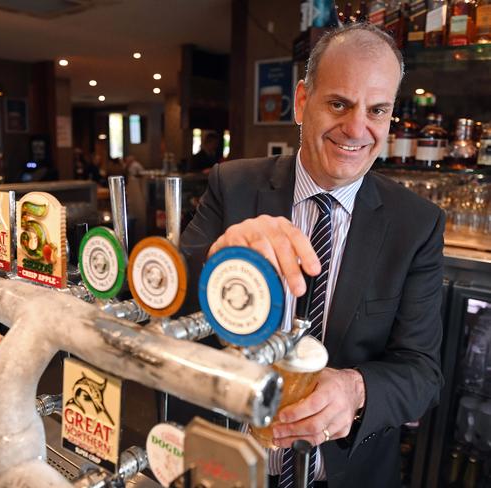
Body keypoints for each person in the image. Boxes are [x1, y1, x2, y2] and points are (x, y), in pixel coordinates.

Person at [180, 23, 444, 488]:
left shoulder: (416, 224)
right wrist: (220, 261)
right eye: (339, 104)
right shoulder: (233, 185)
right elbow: (169, 303)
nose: (357, 129)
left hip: (345, 475)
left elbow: (422, 372)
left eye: (377, 110)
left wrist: (356, 388)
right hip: (226, 464)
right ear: (302, 101)